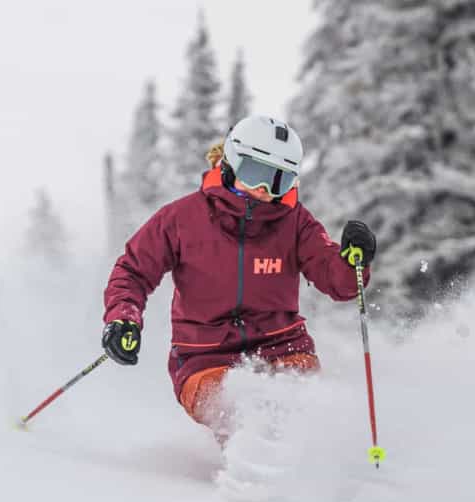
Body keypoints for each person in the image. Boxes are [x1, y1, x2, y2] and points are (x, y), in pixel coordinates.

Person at [101, 115, 377, 444]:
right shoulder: (182, 219)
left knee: (300, 403)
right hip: (204, 357)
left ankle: (305, 468)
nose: (264, 190)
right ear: (231, 161)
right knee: (240, 406)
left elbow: (339, 283)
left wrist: (352, 262)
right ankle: (253, 472)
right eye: (256, 173)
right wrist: (123, 319)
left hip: (284, 347)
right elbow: (133, 270)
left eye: (279, 181)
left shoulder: (295, 223)